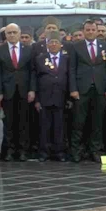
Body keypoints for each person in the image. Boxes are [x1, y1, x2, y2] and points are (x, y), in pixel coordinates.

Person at [69, 20, 106, 163]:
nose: (90, 32)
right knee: (79, 122)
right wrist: (73, 89)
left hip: (100, 89)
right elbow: (71, 70)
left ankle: (96, 150)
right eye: (87, 30)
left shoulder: (105, 46)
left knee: (98, 122)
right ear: (83, 31)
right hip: (82, 90)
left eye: (93, 30)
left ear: (96, 30)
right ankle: (76, 151)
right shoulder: (76, 46)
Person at [0, 23, 33, 161]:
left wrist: (32, 90)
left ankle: (22, 150)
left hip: (24, 90)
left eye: (14, 32)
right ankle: (9, 150)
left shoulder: (28, 49)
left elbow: (32, 71)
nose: (12, 35)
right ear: (5, 35)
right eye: (9, 33)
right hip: (7, 90)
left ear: (19, 33)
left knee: (23, 122)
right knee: (8, 122)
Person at [30, 31, 68, 162]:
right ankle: (44, 152)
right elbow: (35, 78)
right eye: (50, 42)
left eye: (56, 42)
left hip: (61, 97)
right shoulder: (40, 59)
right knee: (44, 127)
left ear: (61, 45)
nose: (53, 44)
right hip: (44, 98)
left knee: (59, 127)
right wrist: (36, 98)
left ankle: (59, 152)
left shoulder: (66, 59)